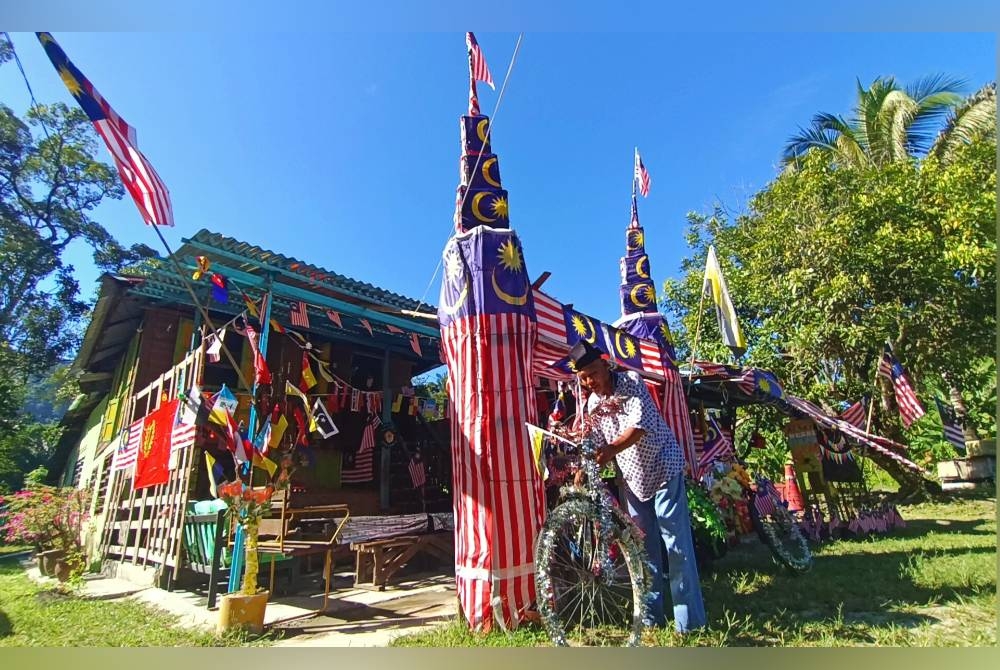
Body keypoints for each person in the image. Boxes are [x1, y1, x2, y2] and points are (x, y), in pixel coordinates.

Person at [569, 339, 706, 633]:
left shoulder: (631, 381)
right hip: (632, 479)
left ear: (605, 365)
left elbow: (639, 425)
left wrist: (609, 450)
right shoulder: (593, 404)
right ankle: (651, 618)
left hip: (663, 467)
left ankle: (689, 623)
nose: (590, 382)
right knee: (643, 550)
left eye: (593, 373)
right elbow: (595, 442)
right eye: (584, 378)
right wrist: (585, 466)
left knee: (676, 545)